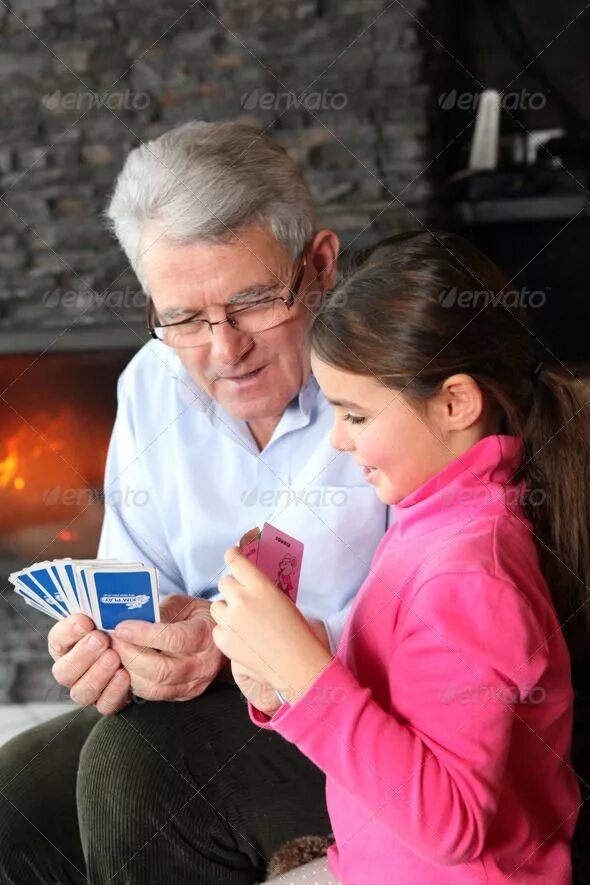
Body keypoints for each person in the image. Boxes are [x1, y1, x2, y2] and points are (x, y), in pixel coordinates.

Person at [0, 122, 389, 884]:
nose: (223, 348)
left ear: (319, 266)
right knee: (10, 802)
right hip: (195, 701)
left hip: (352, 713)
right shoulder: (151, 382)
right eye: (182, 316)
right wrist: (103, 651)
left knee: (135, 768)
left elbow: (447, 611)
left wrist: (255, 645)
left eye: (251, 302)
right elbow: (129, 581)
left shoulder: (388, 384)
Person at [211, 231, 587, 884]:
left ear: (453, 402)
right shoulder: (432, 517)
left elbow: (452, 824)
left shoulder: (471, 573)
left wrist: (305, 674)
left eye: (355, 414)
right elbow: (404, 694)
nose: (337, 438)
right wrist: (281, 669)